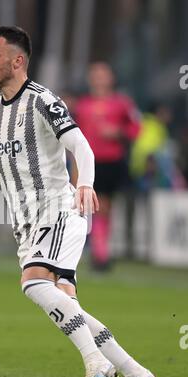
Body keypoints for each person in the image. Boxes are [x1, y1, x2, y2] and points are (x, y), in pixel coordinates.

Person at [0, 26, 156, 377]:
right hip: (29, 227)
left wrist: (85, 183)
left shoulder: (43, 101)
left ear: (17, 61)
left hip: (57, 212)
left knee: (33, 284)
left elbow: (80, 145)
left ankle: (96, 361)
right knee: (68, 306)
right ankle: (136, 373)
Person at [74, 62, 141, 270]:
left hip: (113, 162)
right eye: (95, 75)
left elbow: (136, 128)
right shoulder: (82, 105)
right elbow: (73, 138)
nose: (99, 79)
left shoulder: (122, 103)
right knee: (98, 206)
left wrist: (118, 132)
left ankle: (101, 251)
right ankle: (100, 255)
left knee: (107, 208)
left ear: (111, 78)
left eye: (103, 75)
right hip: (91, 163)